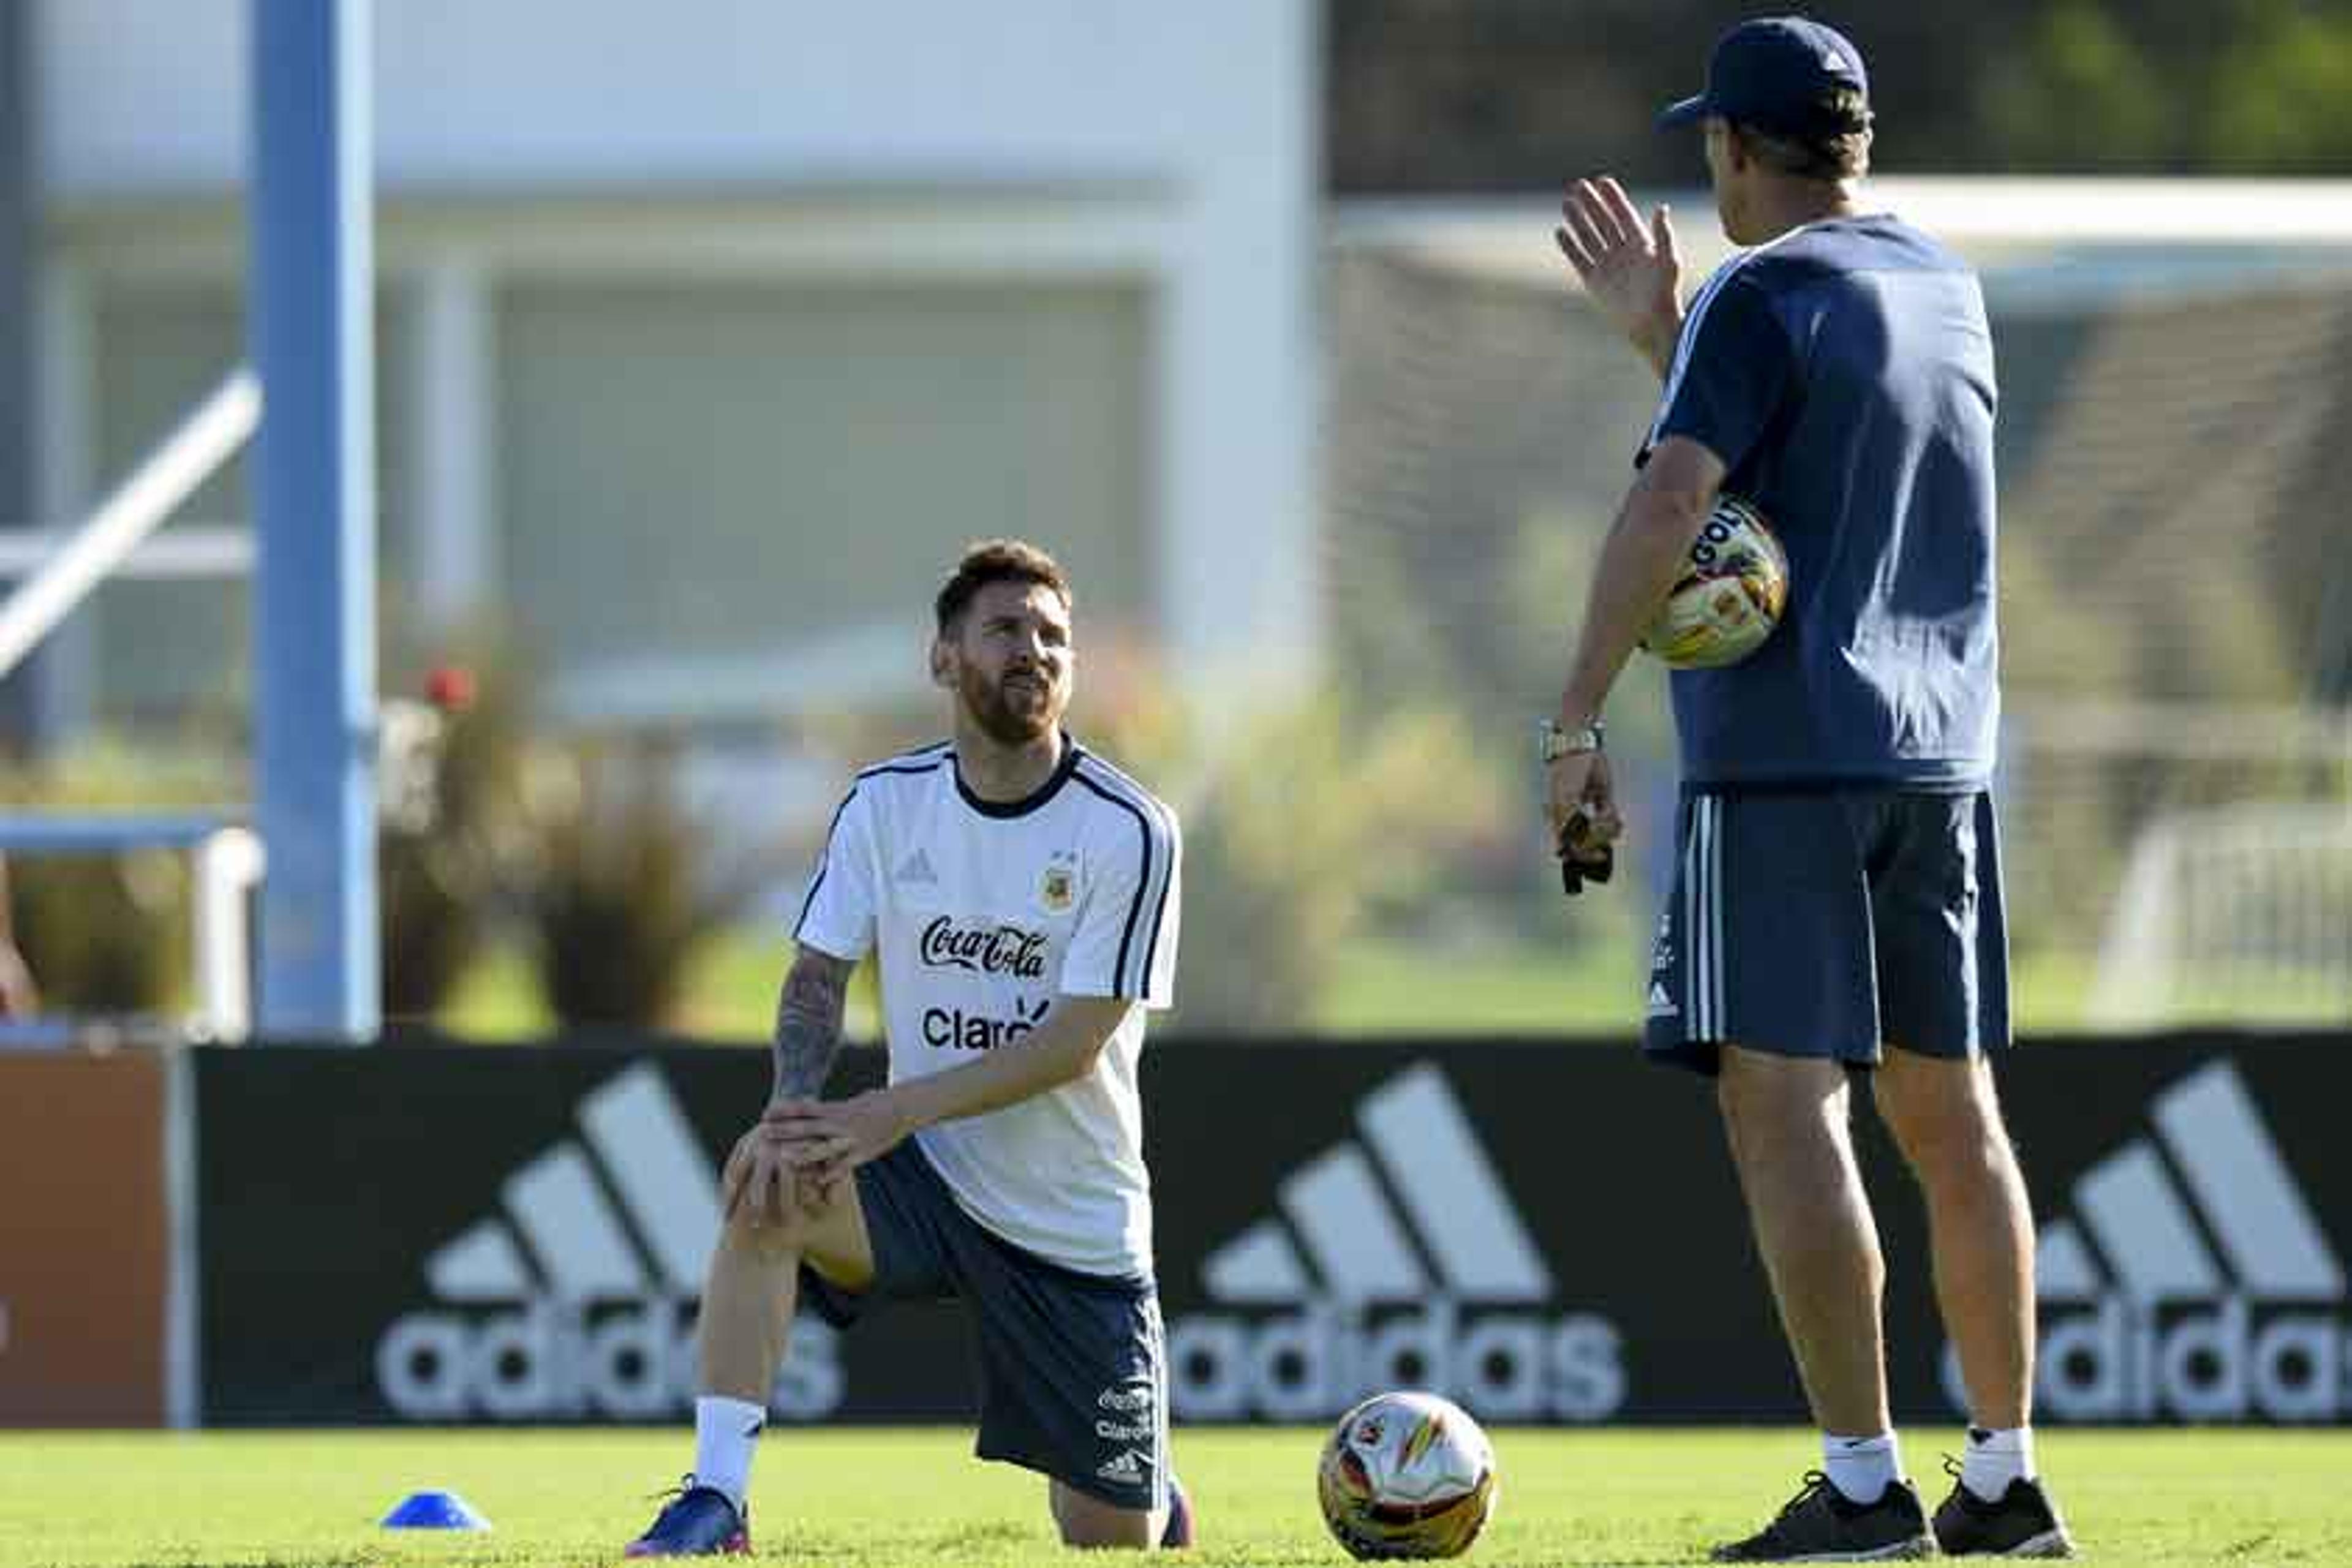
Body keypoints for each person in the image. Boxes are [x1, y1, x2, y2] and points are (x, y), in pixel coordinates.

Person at [1544, 18, 2072, 1562]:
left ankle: (1860, 1485)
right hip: (1942, 756)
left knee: (1782, 1106)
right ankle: (2005, 1478)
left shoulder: (1760, 291)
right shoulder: (1937, 282)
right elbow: (1808, 482)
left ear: (1730, 148)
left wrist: (1572, 714)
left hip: (1781, 762)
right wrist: (1666, 336)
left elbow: (1679, 501)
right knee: (1953, 1114)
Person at [625, 539, 1188, 1557]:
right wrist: (794, 1106)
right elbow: (815, 977)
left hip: (1073, 1219)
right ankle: (717, 1499)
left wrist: (889, 1109)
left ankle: (1143, 1471)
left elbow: (1072, 1044)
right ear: (943, 658)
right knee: (767, 1184)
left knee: (1114, 1537)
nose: (1035, 651)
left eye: (1055, 636)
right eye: (1007, 630)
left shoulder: (1129, 829)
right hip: (925, 1180)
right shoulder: (888, 804)